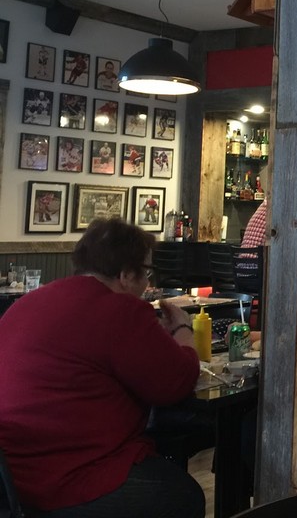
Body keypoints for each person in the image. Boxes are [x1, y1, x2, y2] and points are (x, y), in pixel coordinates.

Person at [0, 218, 204, 518]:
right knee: (184, 496)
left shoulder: (30, 301)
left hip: (10, 475)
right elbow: (176, 382)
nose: (148, 284)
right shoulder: (119, 309)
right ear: (126, 274)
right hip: (65, 477)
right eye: (147, 273)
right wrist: (182, 330)